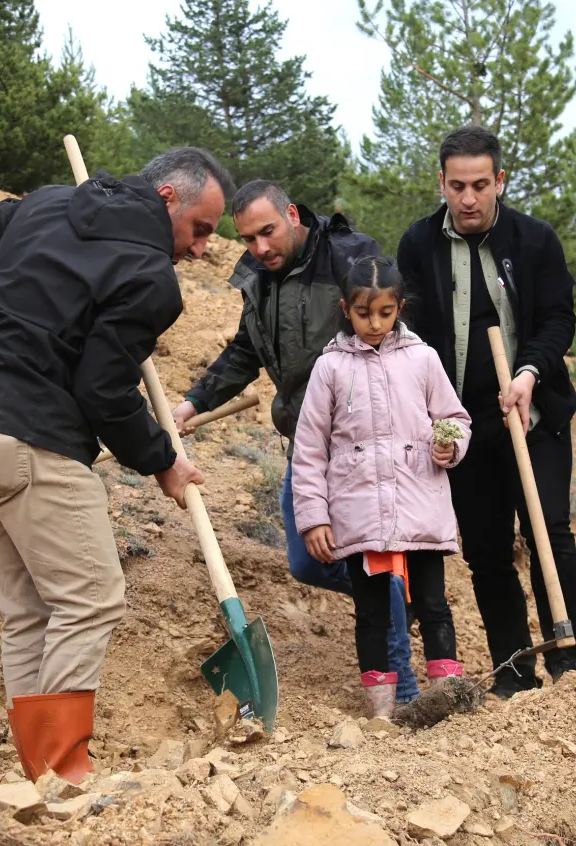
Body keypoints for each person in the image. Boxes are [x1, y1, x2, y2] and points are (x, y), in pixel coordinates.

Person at [0, 147, 234, 784]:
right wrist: (161, 461)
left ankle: (38, 779)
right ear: (168, 198)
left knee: (30, 613)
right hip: (25, 437)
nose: (202, 248)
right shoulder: (150, 279)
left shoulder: (49, 204)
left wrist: (46, 221)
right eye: (201, 229)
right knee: (90, 598)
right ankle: (63, 774)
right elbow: (102, 391)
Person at [169, 182, 427, 702]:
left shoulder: (350, 257)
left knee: (365, 564)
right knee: (306, 561)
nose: (260, 248)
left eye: (267, 231)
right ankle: (396, 596)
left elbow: (398, 338)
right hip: (306, 445)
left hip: (361, 445)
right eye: (247, 239)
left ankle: (405, 694)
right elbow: (245, 352)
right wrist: (192, 403)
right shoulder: (259, 282)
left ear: (291, 214)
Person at [397, 125, 576, 695]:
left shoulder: (535, 241)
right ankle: (513, 670)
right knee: (485, 550)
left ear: (500, 180)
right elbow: (417, 339)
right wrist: (442, 423)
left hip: (533, 413)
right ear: (442, 183)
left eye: (481, 184)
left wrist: (529, 371)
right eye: (457, 186)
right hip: (464, 424)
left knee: (549, 531)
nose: (470, 198)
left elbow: (559, 319)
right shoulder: (418, 244)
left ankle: (570, 664)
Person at [291, 255, 472, 719]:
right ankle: (381, 718)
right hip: (359, 511)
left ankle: (445, 707)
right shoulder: (329, 368)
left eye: (385, 313)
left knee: (433, 603)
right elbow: (310, 448)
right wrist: (313, 517)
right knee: (371, 612)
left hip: (421, 503)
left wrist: (449, 446)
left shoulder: (423, 358)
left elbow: (453, 418)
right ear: (345, 308)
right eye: (363, 313)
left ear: (400, 308)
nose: (374, 323)